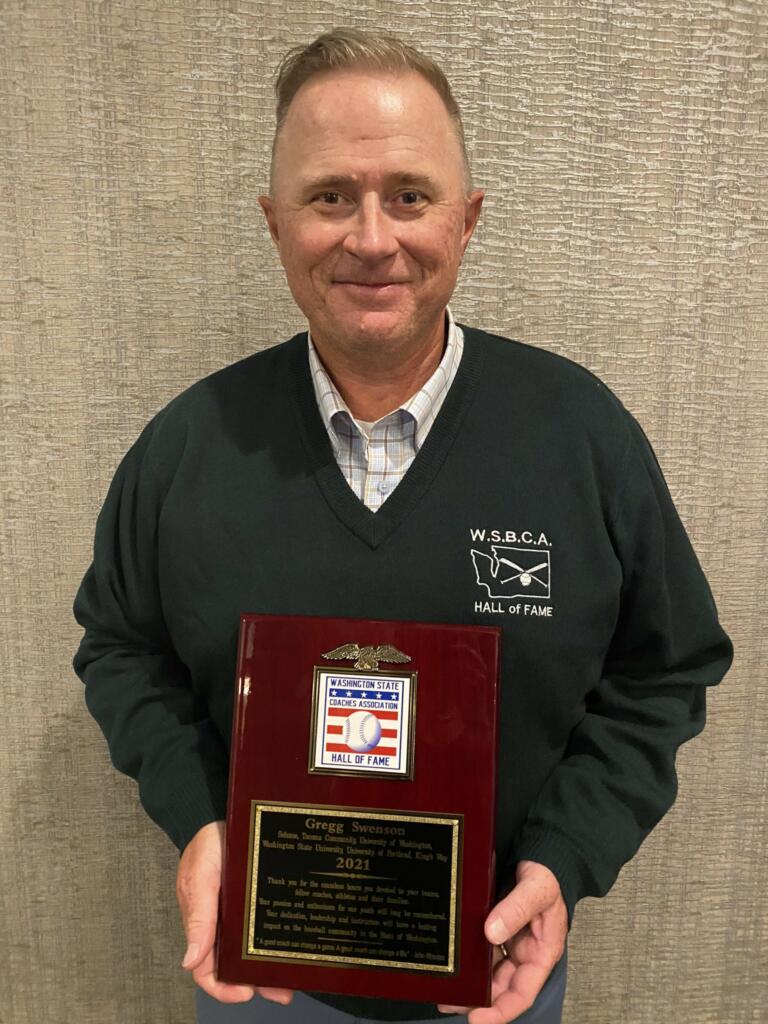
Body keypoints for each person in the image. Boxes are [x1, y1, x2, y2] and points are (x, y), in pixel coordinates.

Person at [72, 26, 733, 1024]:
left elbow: (665, 670)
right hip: (265, 980)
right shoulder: (187, 447)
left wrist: (565, 858)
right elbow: (121, 647)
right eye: (329, 195)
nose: (372, 237)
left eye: (410, 196)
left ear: (468, 219)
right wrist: (199, 819)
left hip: (499, 974)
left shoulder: (580, 435)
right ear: (273, 221)